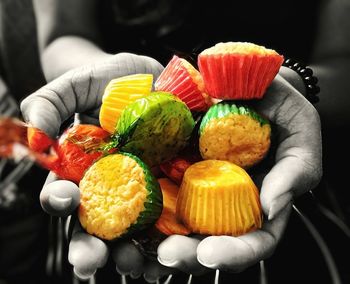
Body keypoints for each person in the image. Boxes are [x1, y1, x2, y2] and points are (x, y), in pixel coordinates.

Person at [20, 0, 350, 283]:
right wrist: (102, 84)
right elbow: (63, 35)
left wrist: (285, 85)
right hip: (107, 154)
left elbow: (342, 62)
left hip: (284, 168)